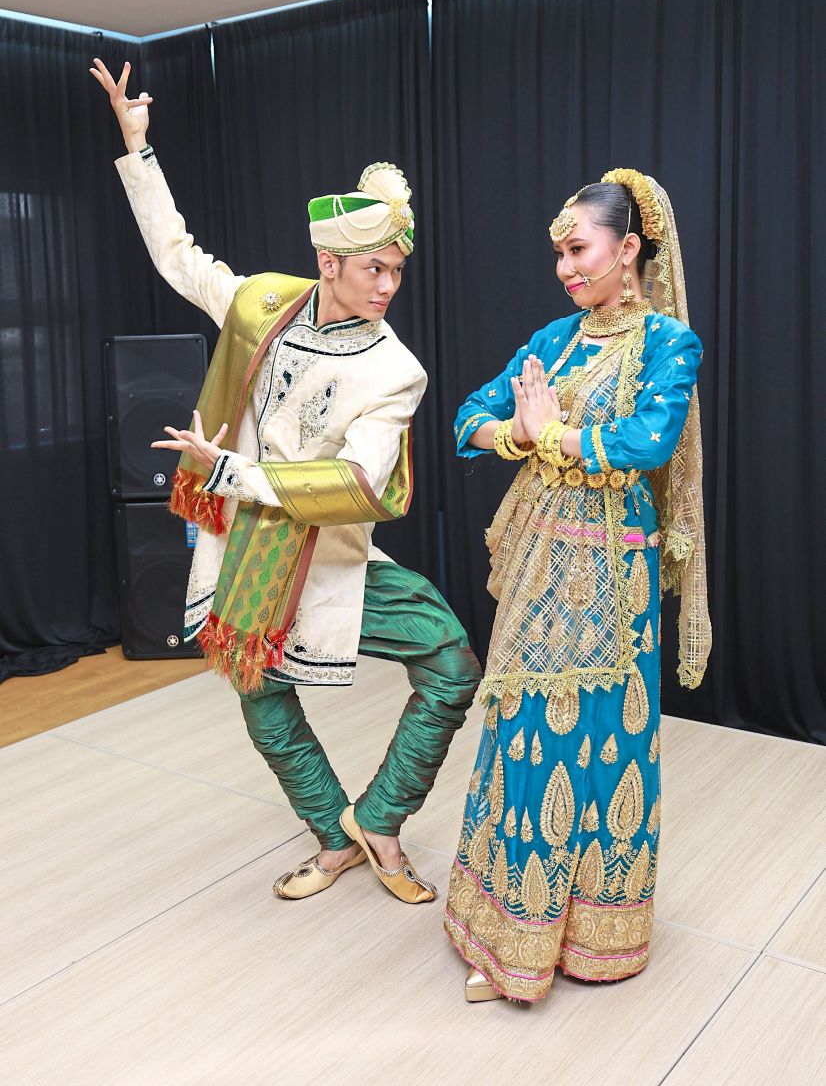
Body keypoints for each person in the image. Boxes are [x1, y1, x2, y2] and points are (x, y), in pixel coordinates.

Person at [90, 58, 482, 904]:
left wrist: (233, 470)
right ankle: (329, 834)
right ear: (328, 261)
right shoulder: (266, 304)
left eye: (397, 271)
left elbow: (358, 483)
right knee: (259, 691)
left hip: (332, 559)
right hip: (244, 550)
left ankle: (376, 821)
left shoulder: (395, 370)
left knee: (450, 663)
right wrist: (138, 149)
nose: (389, 286)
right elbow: (179, 258)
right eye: (374, 268)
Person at [443, 169, 711, 1001]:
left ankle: (593, 935)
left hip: (614, 568)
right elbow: (465, 421)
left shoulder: (669, 343)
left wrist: (551, 430)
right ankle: (509, 932)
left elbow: (647, 442)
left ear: (627, 249)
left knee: (602, 737)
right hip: (540, 567)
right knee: (522, 727)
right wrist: (515, 437)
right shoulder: (553, 339)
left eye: (577, 249)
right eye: (557, 252)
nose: (564, 267)